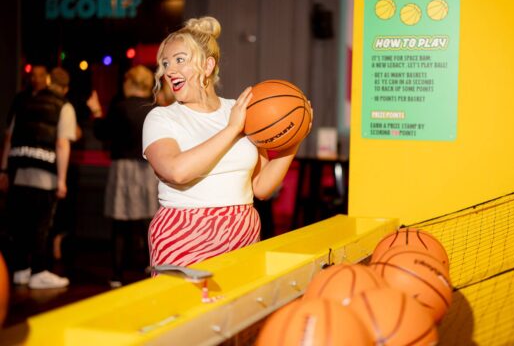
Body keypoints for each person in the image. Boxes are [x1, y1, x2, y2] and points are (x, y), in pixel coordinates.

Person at [142, 16, 310, 268]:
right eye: (165, 63)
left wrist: (294, 138)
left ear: (208, 65)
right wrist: (232, 129)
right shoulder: (161, 117)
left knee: (241, 308)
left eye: (179, 60)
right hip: (186, 232)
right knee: (187, 308)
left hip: (243, 228)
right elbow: (177, 172)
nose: (169, 71)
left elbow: (261, 187)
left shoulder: (241, 110)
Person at [0, 67, 77, 289]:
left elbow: (8, 138)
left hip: (20, 171)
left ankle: (21, 270)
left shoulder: (22, 102)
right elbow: (62, 144)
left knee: (20, 224)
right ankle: (39, 271)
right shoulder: (64, 106)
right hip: (45, 173)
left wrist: (4, 171)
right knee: (42, 225)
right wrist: (62, 180)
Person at [88, 65, 158, 288]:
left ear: (129, 82)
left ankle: (117, 275)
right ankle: (153, 266)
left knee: (120, 223)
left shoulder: (119, 108)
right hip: (149, 169)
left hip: (123, 169)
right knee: (150, 221)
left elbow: (102, 133)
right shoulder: (154, 109)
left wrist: (97, 112)